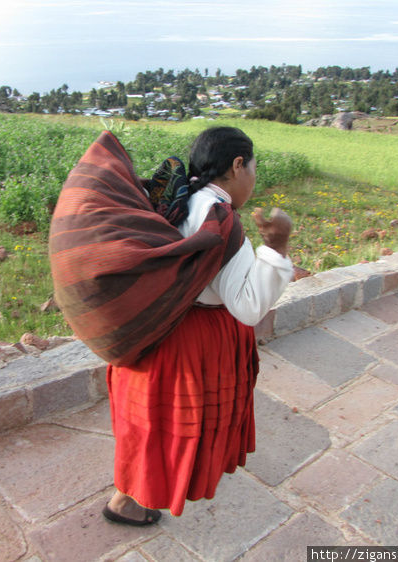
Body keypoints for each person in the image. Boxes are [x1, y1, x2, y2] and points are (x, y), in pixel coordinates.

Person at [102, 126, 294, 525]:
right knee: (177, 431)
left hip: (154, 330)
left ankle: (128, 495)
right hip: (192, 345)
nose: (255, 179)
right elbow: (248, 306)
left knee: (146, 426)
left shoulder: (178, 199)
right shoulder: (221, 221)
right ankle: (131, 500)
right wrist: (276, 249)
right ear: (237, 165)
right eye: (254, 168)